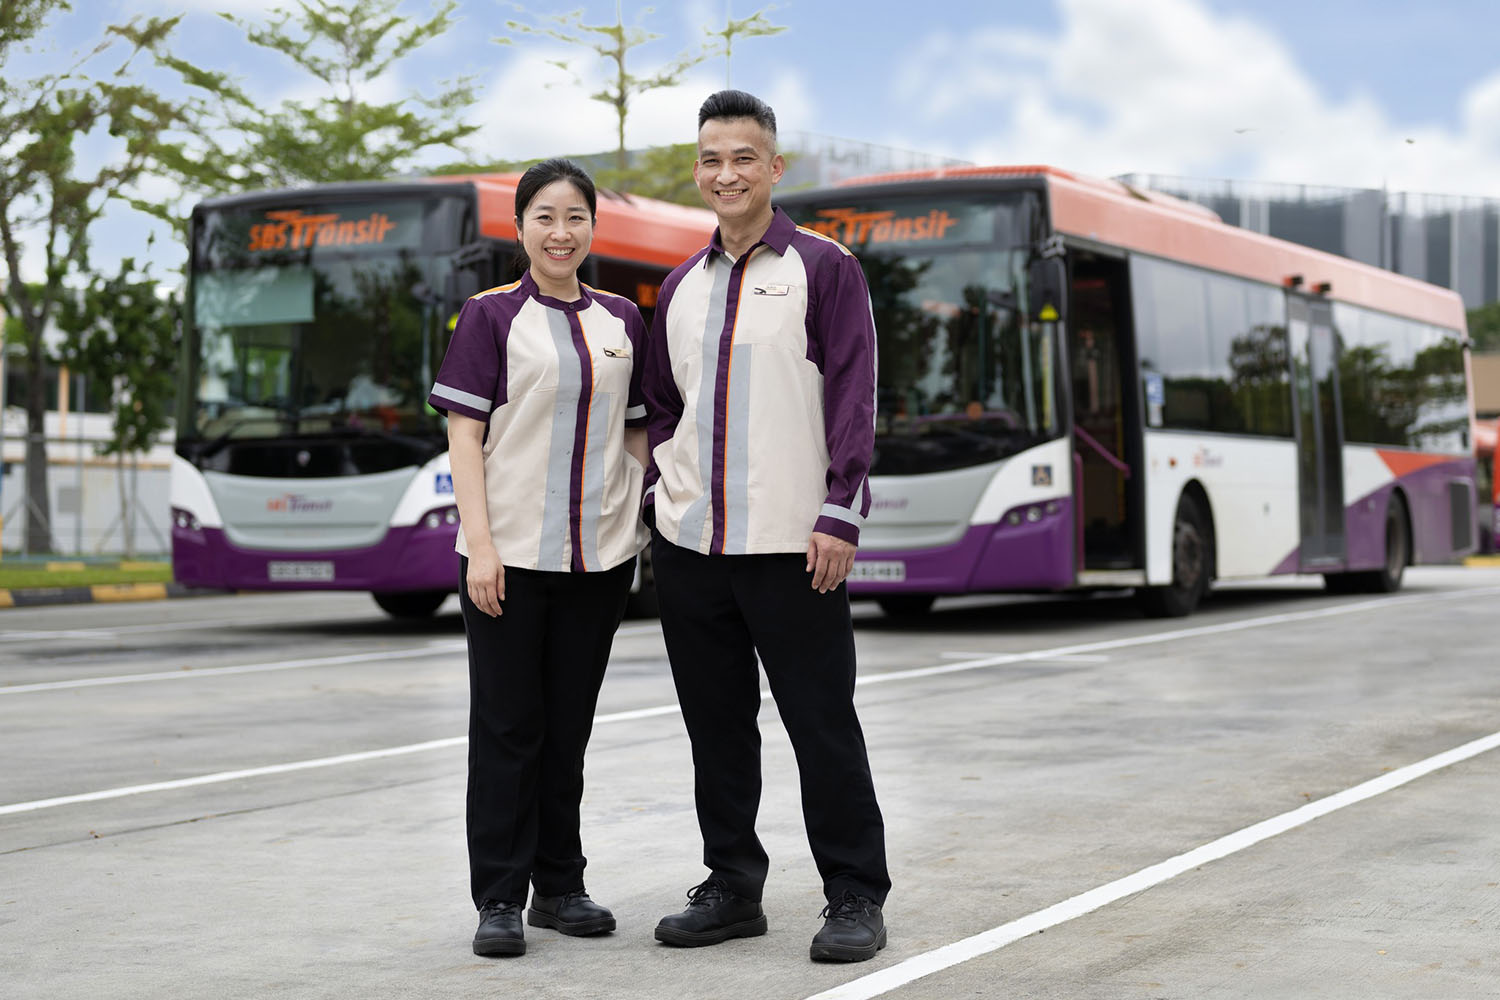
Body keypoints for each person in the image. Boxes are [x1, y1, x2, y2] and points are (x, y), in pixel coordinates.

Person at [641, 90, 891, 963]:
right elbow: (664, 412)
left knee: (821, 723)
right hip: (693, 550)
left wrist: (840, 514)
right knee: (716, 727)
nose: (726, 174)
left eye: (743, 157)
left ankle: (856, 891)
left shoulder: (824, 270)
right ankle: (733, 887)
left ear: (774, 168)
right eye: (710, 159)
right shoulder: (676, 288)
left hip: (796, 548)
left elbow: (855, 398)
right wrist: (658, 508)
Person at [427, 158, 649, 958]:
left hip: (598, 559)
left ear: (594, 228)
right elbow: (465, 435)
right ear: (520, 228)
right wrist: (479, 546)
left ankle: (561, 886)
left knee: (568, 729)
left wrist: (632, 504)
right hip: (508, 558)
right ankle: (499, 896)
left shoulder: (623, 319)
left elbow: (639, 425)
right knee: (508, 727)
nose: (562, 232)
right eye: (546, 217)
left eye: (576, 217)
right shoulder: (489, 317)